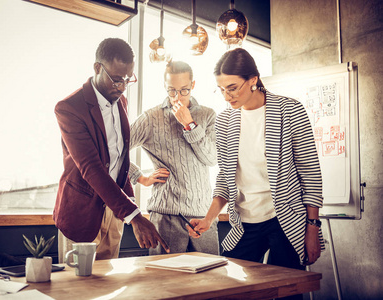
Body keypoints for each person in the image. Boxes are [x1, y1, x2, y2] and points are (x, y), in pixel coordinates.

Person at [189, 49, 324, 297]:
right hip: (245, 222)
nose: (227, 96)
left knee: (287, 293)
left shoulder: (289, 111)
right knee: (230, 291)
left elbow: (310, 173)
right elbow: (225, 177)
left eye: (232, 87)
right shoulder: (224, 121)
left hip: (284, 220)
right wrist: (208, 219)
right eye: (221, 89)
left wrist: (312, 227)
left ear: (253, 80)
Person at [54, 38, 169, 261]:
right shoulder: (69, 108)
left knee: (108, 288)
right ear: (98, 68)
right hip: (81, 215)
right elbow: (92, 168)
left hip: (115, 214)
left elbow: (118, 159)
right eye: (117, 80)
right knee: (78, 291)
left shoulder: (121, 102)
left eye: (128, 79)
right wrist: (135, 217)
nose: (122, 87)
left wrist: (129, 206)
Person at [129, 61, 219, 255]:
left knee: (211, 279)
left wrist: (190, 125)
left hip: (204, 214)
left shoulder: (208, 115)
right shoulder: (150, 118)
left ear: (193, 85)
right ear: (165, 87)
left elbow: (211, 159)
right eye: (171, 91)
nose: (177, 97)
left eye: (184, 90)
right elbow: (114, 151)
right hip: (165, 216)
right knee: (165, 281)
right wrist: (140, 177)